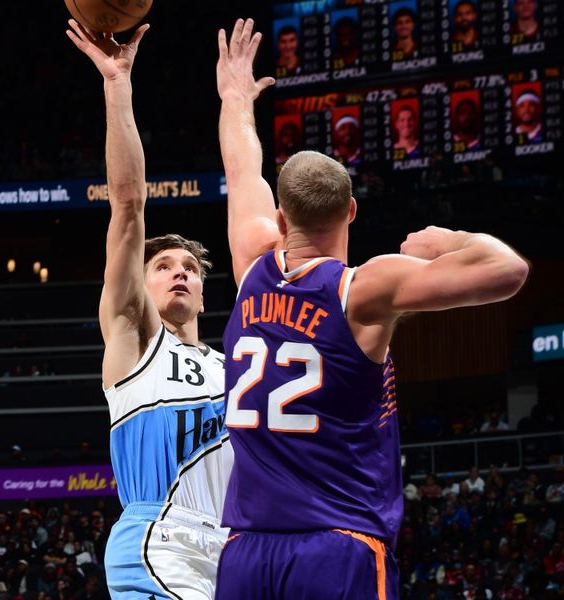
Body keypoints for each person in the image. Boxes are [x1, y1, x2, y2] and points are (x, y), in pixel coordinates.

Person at [214, 18, 528, 599]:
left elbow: (241, 166)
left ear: (281, 220)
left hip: (245, 553)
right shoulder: (363, 290)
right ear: (352, 212)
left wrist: (235, 96)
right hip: (337, 545)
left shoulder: (250, 262)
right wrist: (445, 240)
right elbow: (507, 270)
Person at [66, 19, 232, 600]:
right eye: (163, 267)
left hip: (236, 547)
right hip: (161, 538)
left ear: (206, 293)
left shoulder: (236, 370)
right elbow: (129, 205)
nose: (180, 271)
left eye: (189, 267)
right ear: (139, 286)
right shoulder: (135, 340)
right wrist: (117, 83)